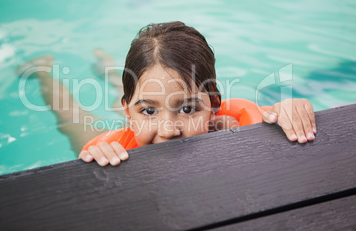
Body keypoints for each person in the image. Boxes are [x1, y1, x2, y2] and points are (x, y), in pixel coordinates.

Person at [18, 21, 316, 167]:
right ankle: (45, 72)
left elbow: (275, 122)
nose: (168, 130)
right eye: (147, 111)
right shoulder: (118, 148)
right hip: (130, 142)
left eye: (187, 109)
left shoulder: (233, 127)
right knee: (75, 122)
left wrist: (290, 112)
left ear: (214, 105)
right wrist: (96, 157)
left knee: (147, 88)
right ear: (128, 113)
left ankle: (110, 68)